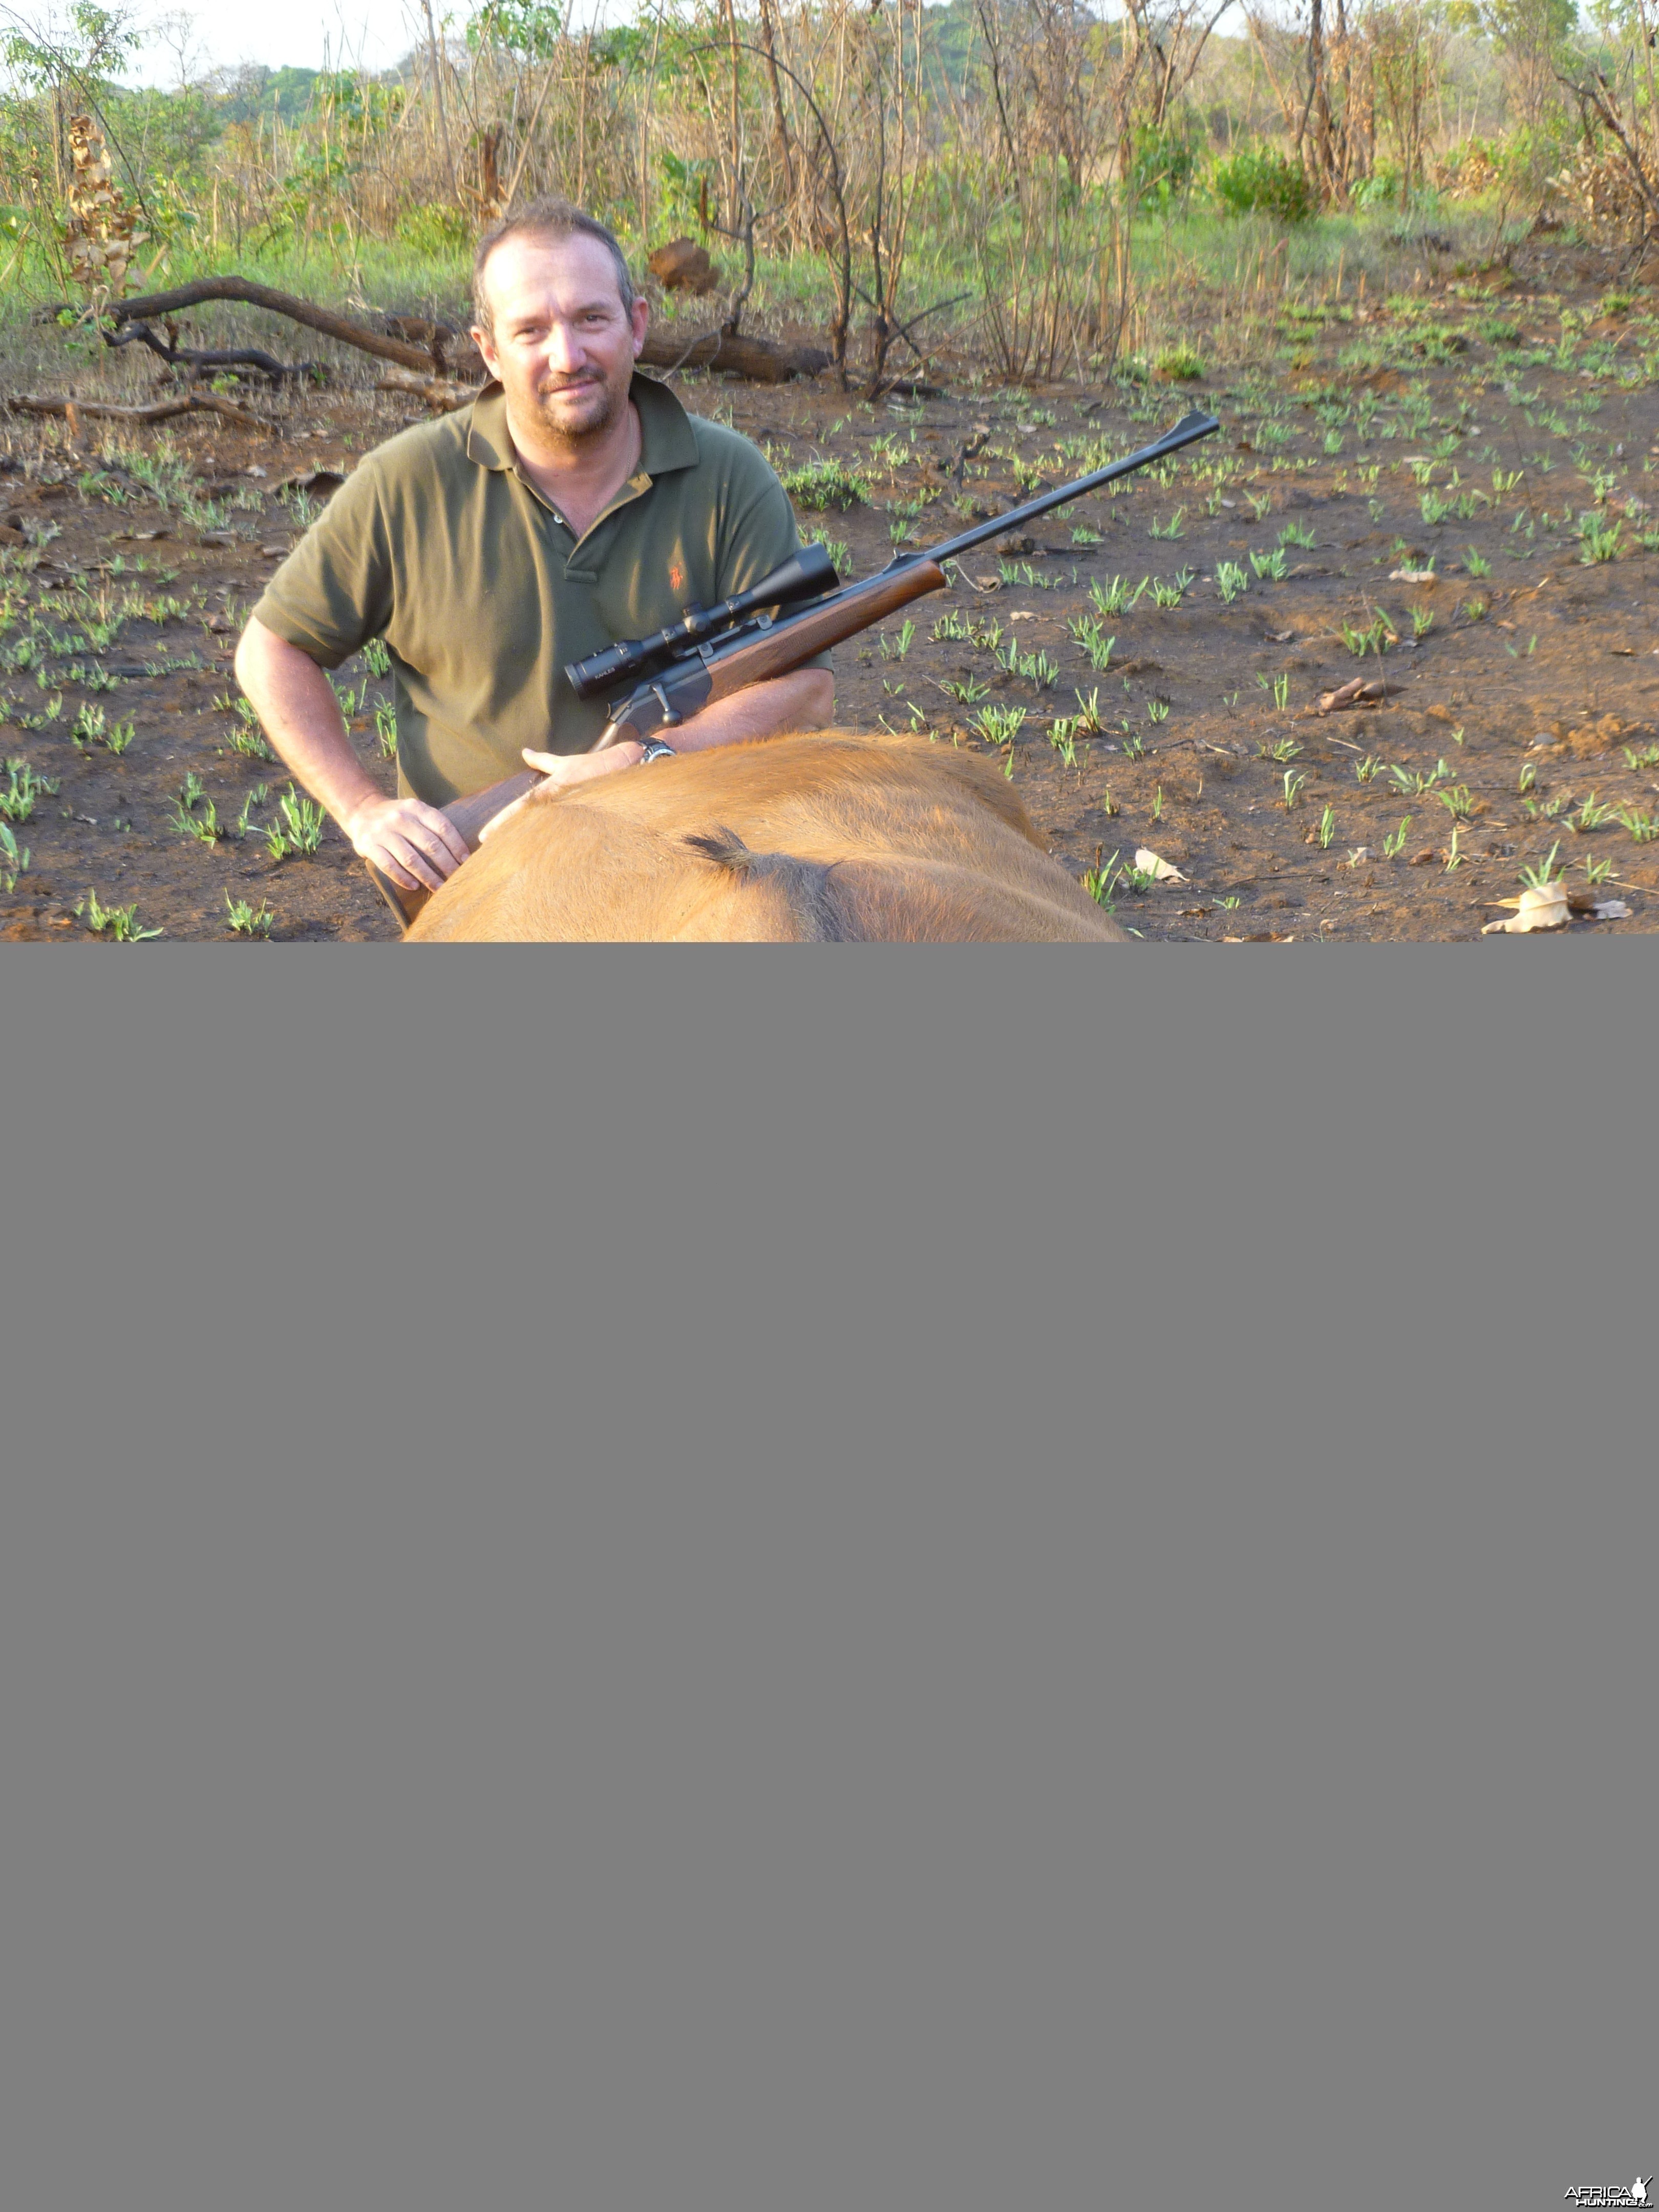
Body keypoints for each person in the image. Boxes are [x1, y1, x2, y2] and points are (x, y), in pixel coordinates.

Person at [235, 197, 835, 899]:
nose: (567, 356)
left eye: (592, 319)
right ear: (489, 352)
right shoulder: (407, 480)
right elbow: (271, 650)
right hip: (489, 892)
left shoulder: (730, 473)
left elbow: (806, 688)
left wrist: (648, 759)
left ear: (637, 326)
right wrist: (363, 811)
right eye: (531, 331)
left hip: (694, 876)